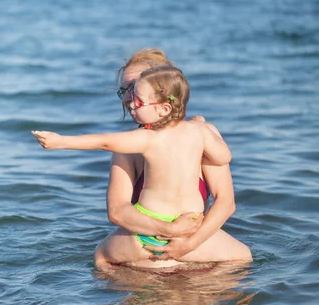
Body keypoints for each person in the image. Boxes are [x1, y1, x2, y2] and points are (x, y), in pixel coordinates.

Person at [32, 64, 240, 268]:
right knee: (243, 257)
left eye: (138, 102)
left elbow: (103, 141)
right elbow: (223, 157)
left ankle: (113, 295)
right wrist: (204, 130)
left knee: (101, 256)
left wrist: (61, 142)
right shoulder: (200, 132)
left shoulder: (146, 139)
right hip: (191, 229)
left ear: (164, 108)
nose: (130, 104)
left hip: (147, 234)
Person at [93, 49, 251, 269]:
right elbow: (117, 210)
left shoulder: (200, 134)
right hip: (192, 252)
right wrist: (173, 233)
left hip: (159, 252)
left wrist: (186, 244)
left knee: (101, 258)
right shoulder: (128, 146)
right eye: (124, 91)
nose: (129, 98)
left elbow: (226, 202)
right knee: (243, 259)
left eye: (134, 86)